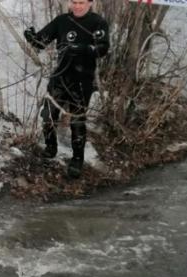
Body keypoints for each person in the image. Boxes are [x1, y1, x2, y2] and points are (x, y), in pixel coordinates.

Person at [23, 0, 109, 178]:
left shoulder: (98, 22)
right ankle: (50, 148)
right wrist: (32, 38)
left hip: (82, 79)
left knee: (77, 121)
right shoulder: (62, 20)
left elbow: (102, 48)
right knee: (48, 114)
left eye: (82, 2)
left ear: (90, 3)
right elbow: (41, 42)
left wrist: (82, 48)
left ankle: (77, 159)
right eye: (74, 2)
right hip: (60, 77)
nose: (78, 6)